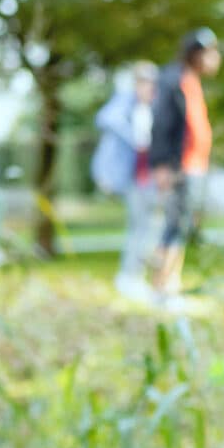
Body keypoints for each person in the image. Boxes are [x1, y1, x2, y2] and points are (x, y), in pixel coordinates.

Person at [149, 28, 222, 303]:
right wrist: (163, 165)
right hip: (179, 167)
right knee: (173, 225)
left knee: (180, 226)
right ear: (197, 53)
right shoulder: (173, 80)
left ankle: (170, 284)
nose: (215, 59)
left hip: (194, 166)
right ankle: (161, 287)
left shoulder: (191, 81)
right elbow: (162, 124)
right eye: (211, 53)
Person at [91, 63, 159, 301]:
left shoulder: (152, 107)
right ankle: (130, 277)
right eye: (143, 82)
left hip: (148, 177)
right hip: (133, 177)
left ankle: (136, 275)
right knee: (140, 226)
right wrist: (136, 138)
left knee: (148, 227)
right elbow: (106, 119)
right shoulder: (126, 102)